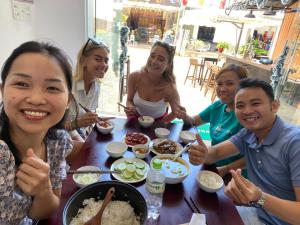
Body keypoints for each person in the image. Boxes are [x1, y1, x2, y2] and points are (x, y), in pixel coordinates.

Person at [188, 78, 300, 225]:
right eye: (240, 105)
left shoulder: (294, 142)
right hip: (257, 212)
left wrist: (259, 197)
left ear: (274, 106)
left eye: (256, 103)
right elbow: (214, 154)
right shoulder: (248, 133)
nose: (247, 111)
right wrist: (202, 154)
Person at [0, 41, 74, 224]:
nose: (36, 99)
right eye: (22, 84)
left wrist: (43, 192)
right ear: (2, 91)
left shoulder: (58, 142)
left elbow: (41, 212)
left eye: (52, 88)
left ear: (68, 101)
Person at [175, 64, 248, 177]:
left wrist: (225, 169)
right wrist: (185, 116)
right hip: (211, 163)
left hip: (236, 175)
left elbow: (254, 157)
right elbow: (194, 121)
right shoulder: (217, 106)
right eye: (219, 84)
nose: (223, 89)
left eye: (230, 83)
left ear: (243, 86)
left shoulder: (248, 116)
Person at [125, 41, 182, 122]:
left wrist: (160, 124)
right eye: (152, 56)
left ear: (168, 65)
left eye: (161, 59)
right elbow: (129, 100)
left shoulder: (170, 88)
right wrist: (130, 107)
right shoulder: (134, 77)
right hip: (136, 119)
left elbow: (176, 112)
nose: (154, 61)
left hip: (158, 124)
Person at [65, 38, 110, 140]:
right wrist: (77, 124)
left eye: (106, 60)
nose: (104, 65)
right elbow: (54, 129)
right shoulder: (68, 86)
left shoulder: (96, 85)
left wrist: (97, 119)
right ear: (83, 60)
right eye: (98, 59)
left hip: (85, 135)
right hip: (66, 140)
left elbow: (88, 115)